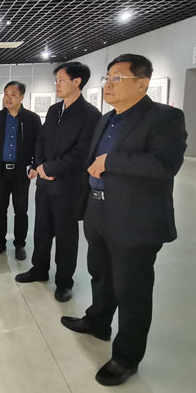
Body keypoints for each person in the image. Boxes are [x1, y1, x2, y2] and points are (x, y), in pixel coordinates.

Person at [60, 54, 187, 386]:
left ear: (142, 84)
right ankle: (98, 321)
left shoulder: (165, 117)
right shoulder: (106, 119)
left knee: (132, 290)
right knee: (100, 274)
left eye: (117, 78)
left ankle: (126, 357)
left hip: (136, 219)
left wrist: (111, 161)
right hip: (98, 211)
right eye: (107, 78)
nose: (109, 84)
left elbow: (165, 164)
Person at [15, 62, 100, 302]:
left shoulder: (90, 115)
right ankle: (39, 269)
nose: (57, 85)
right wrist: (40, 166)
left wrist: (51, 168)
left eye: (61, 80)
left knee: (66, 237)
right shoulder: (54, 110)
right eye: (56, 80)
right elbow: (41, 140)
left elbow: (82, 152)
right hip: (44, 184)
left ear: (77, 82)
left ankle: (64, 282)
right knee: (41, 231)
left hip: (68, 187)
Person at [0, 81, 41, 260]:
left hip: (21, 173)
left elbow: (39, 144)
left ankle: (19, 244)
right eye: (6, 93)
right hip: (0, 171)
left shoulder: (32, 119)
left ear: (22, 97)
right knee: (0, 209)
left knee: (21, 210)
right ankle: (0, 243)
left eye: (13, 94)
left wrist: (35, 165)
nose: (8, 98)